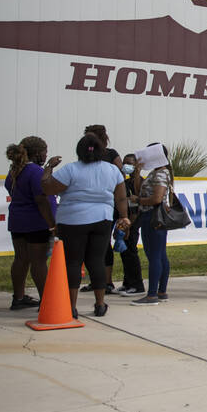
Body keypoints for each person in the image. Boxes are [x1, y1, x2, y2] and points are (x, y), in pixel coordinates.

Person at [42, 133, 129, 318]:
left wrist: (48, 168)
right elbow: (121, 197)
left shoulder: (70, 170)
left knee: (73, 262)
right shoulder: (112, 170)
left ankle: (71, 307)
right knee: (96, 261)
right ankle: (100, 304)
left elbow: (47, 188)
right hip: (103, 218)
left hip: (72, 220)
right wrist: (124, 217)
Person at [3, 136, 55, 309]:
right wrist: (52, 224)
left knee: (21, 259)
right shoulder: (36, 172)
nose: (46, 155)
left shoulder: (15, 170)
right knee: (38, 261)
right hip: (37, 222)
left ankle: (18, 297)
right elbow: (42, 199)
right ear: (38, 153)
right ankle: (46, 300)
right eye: (45, 152)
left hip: (18, 221)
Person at [129, 142, 178, 305]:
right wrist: (137, 172)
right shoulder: (157, 172)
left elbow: (156, 199)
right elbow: (138, 188)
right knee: (160, 254)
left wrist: (139, 200)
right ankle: (161, 291)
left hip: (152, 215)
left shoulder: (160, 174)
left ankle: (152, 295)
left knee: (155, 256)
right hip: (150, 216)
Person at [83, 124, 122, 294]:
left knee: (104, 244)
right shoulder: (86, 155)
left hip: (107, 205)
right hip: (89, 205)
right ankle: (96, 281)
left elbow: (120, 174)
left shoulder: (111, 154)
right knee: (90, 245)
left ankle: (107, 281)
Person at [114, 152, 145, 295]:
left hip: (133, 221)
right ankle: (127, 283)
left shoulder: (139, 182)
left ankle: (137, 285)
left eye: (130, 163)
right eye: (124, 163)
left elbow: (137, 207)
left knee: (131, 251)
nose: (126, 166)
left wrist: (129, 225)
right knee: (124, 252)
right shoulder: (124, 183)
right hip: (125, 221)